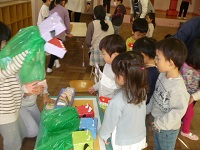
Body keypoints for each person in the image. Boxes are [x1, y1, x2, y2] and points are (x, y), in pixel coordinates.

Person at [0, 21, 43, 150]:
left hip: (14, 109)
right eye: (3, 42)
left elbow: (10, 82)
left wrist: (25, 88)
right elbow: (10, 69)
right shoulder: (4, 64)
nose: (5, 45)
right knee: (13, 144)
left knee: (21, 133)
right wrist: (29, 48)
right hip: (5, 114)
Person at [98, 51, 148, 149]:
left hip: (124, 142)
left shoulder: (117, 100)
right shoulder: (142, 91)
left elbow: (109, 122)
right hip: (140, 137)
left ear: (121, 78)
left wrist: (103, 134)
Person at [146, 38, 190, 150]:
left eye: (158, 58)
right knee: (157, 146)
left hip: (168, 129)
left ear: (170, 63)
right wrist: (147, 109)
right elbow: (156, 96)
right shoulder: (162, 75)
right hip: (157, 122)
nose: (155, 61)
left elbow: (178, 111)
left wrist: (160, 124)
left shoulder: (178, 88)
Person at [133, 37, 159, 144]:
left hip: (143, 106)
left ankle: (142, 141)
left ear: (143, 56)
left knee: (141, 124)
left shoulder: (147, 74)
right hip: (148, 105)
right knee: (143, 123)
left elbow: (140, 92)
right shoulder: (156, 69)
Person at [88, 34, 126, 102]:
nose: (103, 56)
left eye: (104, 54)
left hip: (111, 104)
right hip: (103, 100)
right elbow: (104, 81)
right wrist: (95, 87)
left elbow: (122, 90)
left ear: (115, 55)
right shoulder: (107, 65)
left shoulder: (119, 71)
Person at [180, 38, 200, 141]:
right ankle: (185, 131)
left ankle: (184, 127)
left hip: (189, 96)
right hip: (183, 95)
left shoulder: (183, 63)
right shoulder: (183, 64)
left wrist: (193, 97)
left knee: (187, 112)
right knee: (188, 112)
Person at [47, 0, 73, 73]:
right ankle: (49, 67)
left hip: (52, 32)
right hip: (59, 32)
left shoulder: (52, 8)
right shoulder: (64, 10)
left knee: (55, 47)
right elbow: (67, 22)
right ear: (63, 1)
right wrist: (68, 32)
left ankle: (56, 61)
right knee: (56, 49)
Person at [86, 5, 114, 69]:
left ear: (94, 15)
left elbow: (88, 41)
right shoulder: (110, 23)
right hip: (109, 52)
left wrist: (90, 47)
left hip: (96, 52)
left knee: (91, 49)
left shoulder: (92, 24)